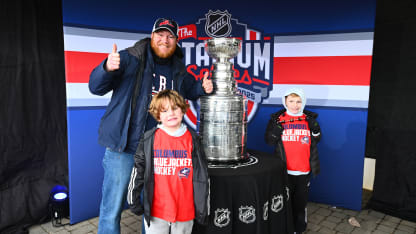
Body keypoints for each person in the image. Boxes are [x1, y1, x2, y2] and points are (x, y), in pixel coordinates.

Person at [89, 18, 213, 234]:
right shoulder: (131, 58)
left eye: (170, 36)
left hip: (158, 152)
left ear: (175, 41)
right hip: (124, 148)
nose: (165, 40)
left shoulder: (178, 68)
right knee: (112, 208)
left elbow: (191, 89)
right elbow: (95, 87)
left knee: (154, 209)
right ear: (152, 36)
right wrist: (107, 68)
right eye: (160, 34)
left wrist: (203, 87)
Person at [127, 89, 209, 234]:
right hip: (157, 211)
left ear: (183, 109)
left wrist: (203, 208)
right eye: (164, 110)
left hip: (185, 210)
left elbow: (202, 176)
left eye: (175, 108)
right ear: (158, 115)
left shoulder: (193, 139)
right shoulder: (149, 139)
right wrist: (133, 199)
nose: (171, 113)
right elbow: (138, 170)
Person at [264, 88, 321, 234]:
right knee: (285, 203)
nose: (295, 105)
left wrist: (315, 129)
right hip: (284, 171)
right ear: (285, 102)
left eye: (298, 101)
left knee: (300, 204)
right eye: (291, 101)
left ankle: (299, 229)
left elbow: (317, 139)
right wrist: (275, 132)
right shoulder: (277, 120)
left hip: (303, 170)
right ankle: (286, 228)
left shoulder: (308, 119)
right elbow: (269, 141)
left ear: (303, 102)